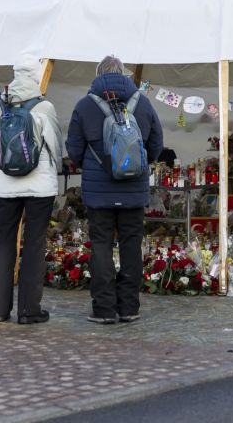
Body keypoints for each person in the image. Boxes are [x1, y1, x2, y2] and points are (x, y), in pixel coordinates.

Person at [67, 55, 163, 324]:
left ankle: (104, 308)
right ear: (125, 74)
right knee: (132, 246)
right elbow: (156, 145)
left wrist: (92, 163)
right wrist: (139, 165)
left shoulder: (85, 106)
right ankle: (129, 307)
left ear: (97, 74)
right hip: (134, 189)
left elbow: (74, 149)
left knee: (101, 246)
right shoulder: (142, 103)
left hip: (99, 193)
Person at [0, 55, 62, 324]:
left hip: (5, 185)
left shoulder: (0, 105)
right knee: (34, 243)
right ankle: (29, 310)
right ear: (36, 75)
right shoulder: (44, 107)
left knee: (5, 243)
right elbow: (54, 146)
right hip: (40, 185)